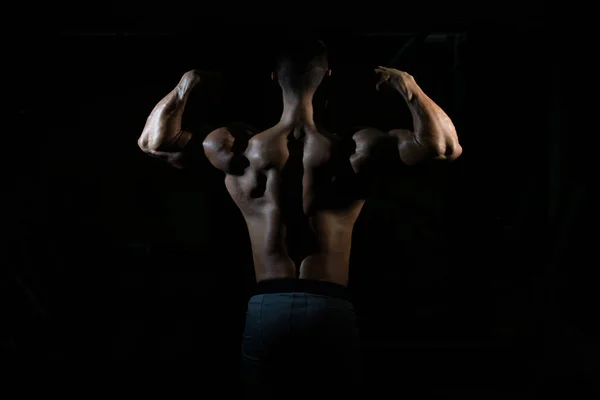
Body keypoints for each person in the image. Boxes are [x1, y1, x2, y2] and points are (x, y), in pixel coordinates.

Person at [137, 37, 461, 398]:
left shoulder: (237, 148)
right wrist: (408, 86)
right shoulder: (355, 149)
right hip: (330, 305)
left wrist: (186, 86)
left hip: (267, 305)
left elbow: (153, 142)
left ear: (274, 77)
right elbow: (444, 146)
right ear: (327, 77)